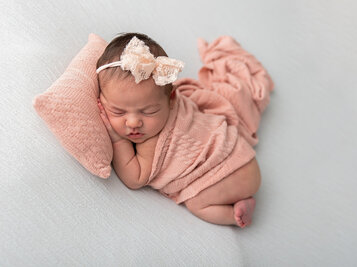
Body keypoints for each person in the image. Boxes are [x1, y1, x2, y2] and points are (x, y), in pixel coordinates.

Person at [96, 32, 273, 228]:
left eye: (149, 111)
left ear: (172, 99)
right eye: (118, 111)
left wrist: (117, 139)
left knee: (196, 203)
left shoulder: (151, 142)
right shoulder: (160, 99)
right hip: (242, 154)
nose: (133, 122)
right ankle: (239, 199)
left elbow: (135, 179)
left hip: (232, 171)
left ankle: (233, 214)